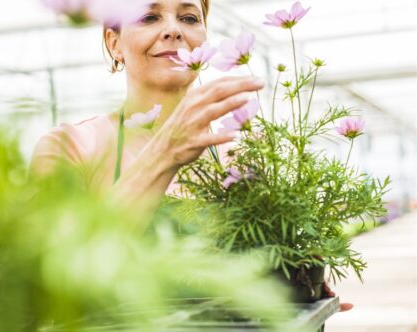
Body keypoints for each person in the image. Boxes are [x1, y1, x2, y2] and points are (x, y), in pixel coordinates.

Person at [29, 0, 352, 312]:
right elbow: (54, 283)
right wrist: (165, 152)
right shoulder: (70, 147)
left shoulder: (242, 145)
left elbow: (264, 264)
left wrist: (297, 279)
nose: (173, 30)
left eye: (188, 18)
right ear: (114, 43)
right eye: (148, 17)